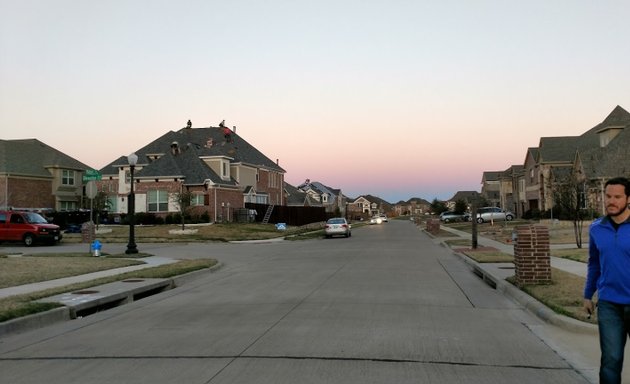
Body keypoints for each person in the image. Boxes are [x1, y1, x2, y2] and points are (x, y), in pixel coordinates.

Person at [584, 176, 630, 384]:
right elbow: (594, 263)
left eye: (617, 197)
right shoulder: (596, 228)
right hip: (609, 303)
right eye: (608, 196)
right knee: (611, 360)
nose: (611, 201)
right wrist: (587, 295)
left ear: (628, 199)